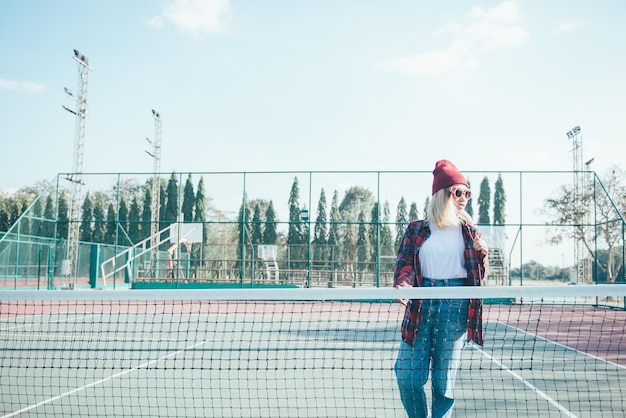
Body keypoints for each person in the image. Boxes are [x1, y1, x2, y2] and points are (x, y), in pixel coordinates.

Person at [393, 159, 489, 418]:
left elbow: (479, 276)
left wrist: (483, 256)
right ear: (442, 194)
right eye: (459, 192)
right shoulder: (416, 229)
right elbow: (405, 265)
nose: (465, 198)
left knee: (443, 385)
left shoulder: (469, 232)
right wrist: (403, 285)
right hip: (421, 302)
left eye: (468, 192)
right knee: (407, 376)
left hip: (456, 305)